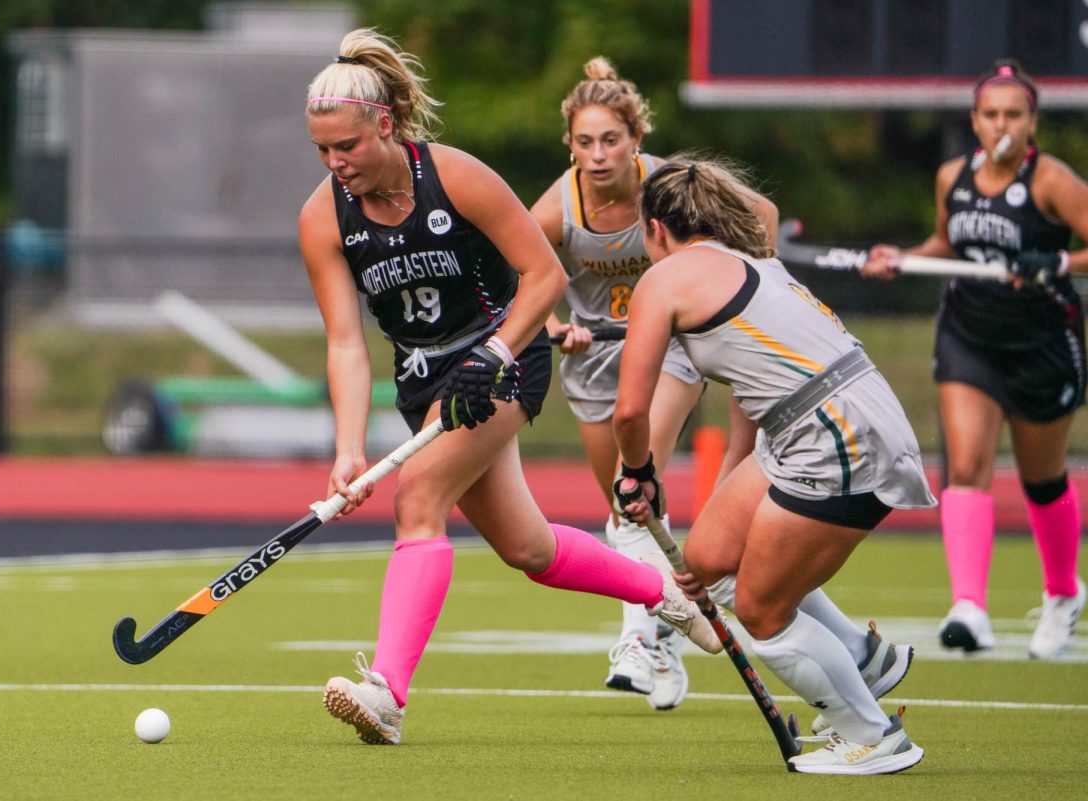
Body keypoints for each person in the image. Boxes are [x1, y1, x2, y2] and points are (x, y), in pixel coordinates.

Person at [298, 29, 721, 747]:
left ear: (386, 126)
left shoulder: (456, 177)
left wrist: (492, 352)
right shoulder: (322, 219)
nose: (337, 164)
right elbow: (346, 343)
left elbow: (545, 277)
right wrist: (346, 450)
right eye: (323, 151)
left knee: (418, 498)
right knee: (528, 549)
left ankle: (388, 694)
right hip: (422, 377)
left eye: (349, 147)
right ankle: (664, 594)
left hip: (504, 356)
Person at [613, 155, 934, 774]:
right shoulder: (754, 261)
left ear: (655, 229)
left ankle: (871, 736)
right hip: (822, 418)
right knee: (705, 563)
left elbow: (630, 413)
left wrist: (638, 473)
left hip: (835, 434)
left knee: (760, 609)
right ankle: (862, 657)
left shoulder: (665, 280)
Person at [529, 57, 766, 710]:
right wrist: (552, 323)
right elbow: (511, 266)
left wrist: (740, 287)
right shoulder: (560, 204)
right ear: (570, 145)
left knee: (638, 478)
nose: (598, 155)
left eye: (611, 140)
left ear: (637, 139)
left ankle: (637, 636)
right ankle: (665, 631)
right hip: (595, 359)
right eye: (584, 142)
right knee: (627, 505)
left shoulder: (668, 186)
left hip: (669, 349)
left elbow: (762, 216)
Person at [863, 59, 1088, 660]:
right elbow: (947, 242)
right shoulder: (951, 176)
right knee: (965, 465)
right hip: (969, 334)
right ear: (975, 121)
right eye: (990, 114)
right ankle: (969, 607)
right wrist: (903, 258)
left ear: (1032, 122)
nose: (1001, 125)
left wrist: (1058, 263)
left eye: (1013, 114)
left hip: (1042, 341)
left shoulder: (1053, 182)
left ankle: (1064, 594)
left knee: (1042, 481)